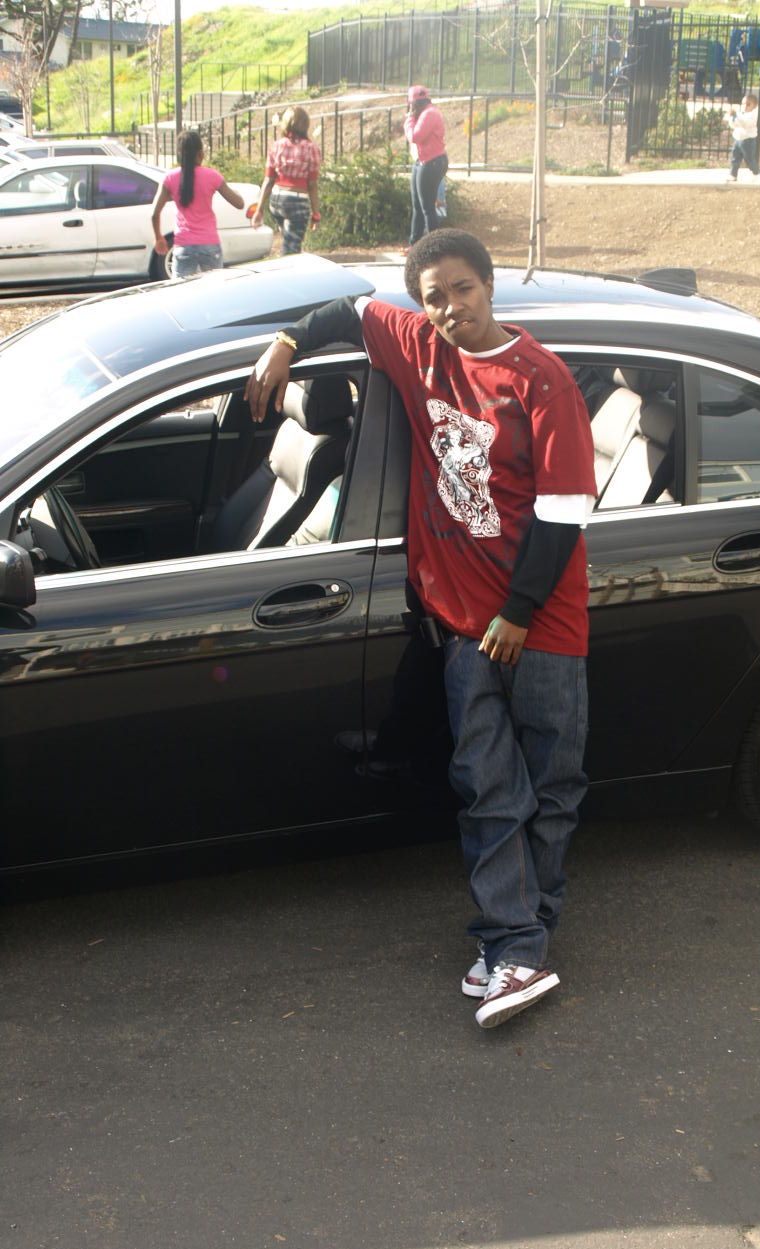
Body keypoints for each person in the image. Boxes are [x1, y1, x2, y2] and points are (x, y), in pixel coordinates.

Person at [244, 229, 596, 1030]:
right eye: (434, 297)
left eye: (463, 289)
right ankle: (516, 944)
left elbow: (563, 512)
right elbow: (346, 309)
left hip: (540, 626)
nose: (450, 307)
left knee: (550, 788)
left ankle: (519, 942)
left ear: (489, 286)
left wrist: (517, 612)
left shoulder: (540, 380)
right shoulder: (417, 345)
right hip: (465, 627)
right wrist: (286, 342)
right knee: (486, 787)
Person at [150, 130, 246, 279]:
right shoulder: (212, 176)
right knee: (214, 289)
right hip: (210, 245)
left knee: (182, 290)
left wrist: (158, 237)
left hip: (184, 246)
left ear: (179, 154)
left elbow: (154, 214)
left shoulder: (170, 178)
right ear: (200, 154)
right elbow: (239, 203)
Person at [252, 105, 322, 254]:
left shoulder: (276, 146)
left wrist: (259, 209)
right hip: (297, 200)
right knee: (292, 249)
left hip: (277, 200)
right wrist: (315, 213)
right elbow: (312, 184)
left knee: (288, 241)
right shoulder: (311, 149)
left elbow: (268, 180)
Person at [404, 85, 448, 246]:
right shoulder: (424, 113)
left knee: (427, 208)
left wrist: (409, 119)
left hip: (432, 162)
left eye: (412, 104)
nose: (411, 108)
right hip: (422, 161)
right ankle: (414, 244)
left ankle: (434, 247)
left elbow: (415, 136)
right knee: (417, 206)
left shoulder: (430, 113)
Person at [724, 93, 760, 182]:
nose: (745, 106)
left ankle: (756, 172)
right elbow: (734, 125)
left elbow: (745, 124)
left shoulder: (753, 115)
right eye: (744, 103)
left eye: (748, 104)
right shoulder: (740, 114)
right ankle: (733, 174)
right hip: (738, 139)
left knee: (749, 159)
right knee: (735, 158)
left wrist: (736, 116)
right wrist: (732, 118)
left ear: (755, 106)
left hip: (748, 140)